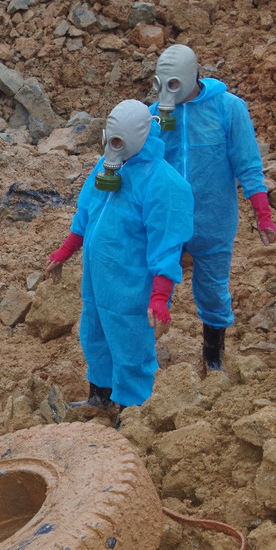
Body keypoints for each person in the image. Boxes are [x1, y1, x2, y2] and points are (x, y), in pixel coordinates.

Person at [45, 99, 194, 417]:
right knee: (95, 335)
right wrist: (65, 251)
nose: (112, 148)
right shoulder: (106, 166)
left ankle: (132, 410)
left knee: (130, 346)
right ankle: (100, 396)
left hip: (130, 286)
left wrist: (160, 296)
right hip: (98, 280)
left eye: (118, 141)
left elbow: (167, 244)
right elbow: (87, 212)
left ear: (141, 134)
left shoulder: (164, 184)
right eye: (109, 140)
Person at [149, 44, 276, 372]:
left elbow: (248, 164)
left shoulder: (227, 108)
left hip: (213, 219)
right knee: (150, 284)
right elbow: (143, 166)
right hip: (167, 219)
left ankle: (213, 356)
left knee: (212, 289)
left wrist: (263, 214)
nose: (167, 92)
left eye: (173, 84)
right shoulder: (156, 113)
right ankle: (141, 355)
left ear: (191, 77)